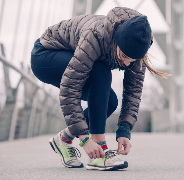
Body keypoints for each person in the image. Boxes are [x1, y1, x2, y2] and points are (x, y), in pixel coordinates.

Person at [30, 7, 170, 171]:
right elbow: (70, 89)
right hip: (46, 54)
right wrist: (84, 139)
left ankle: (63, 139)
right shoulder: (96, 36)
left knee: (109, 102)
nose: (127, 64)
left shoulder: (138, 47)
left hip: (72, 58)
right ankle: (100, 149)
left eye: (132, 60)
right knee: (101, 70)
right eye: (124, 57)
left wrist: (124, 130)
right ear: (116, 42)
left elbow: (133, 93)